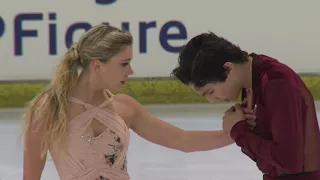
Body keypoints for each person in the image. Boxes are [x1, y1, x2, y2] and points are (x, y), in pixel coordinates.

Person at [22, 25, 254, 180]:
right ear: (97, 65)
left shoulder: (124, 107)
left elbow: (183, 140)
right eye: (124, 63)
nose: (131, 71)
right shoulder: (49, 109)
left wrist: (237, 132)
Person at [171, 32, 320, 180]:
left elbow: (288, 161)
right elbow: (268, 160)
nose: (212, 100)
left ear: (228, 69)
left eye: (210, 91)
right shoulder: (251, 79)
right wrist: (245, 131)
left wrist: (240, 132)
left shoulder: (276, 84)